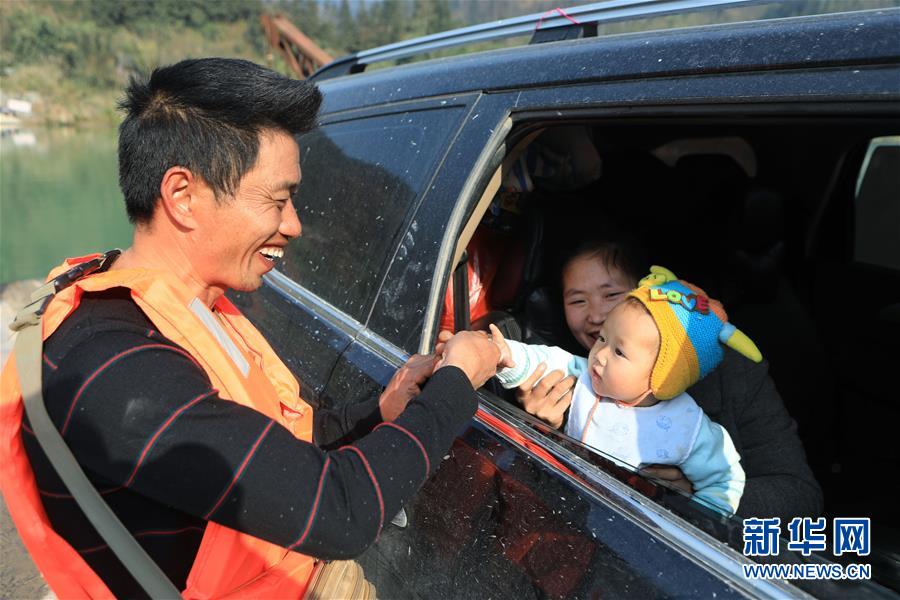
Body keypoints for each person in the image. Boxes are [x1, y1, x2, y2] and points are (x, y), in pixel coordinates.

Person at [0, 58, 500, 599]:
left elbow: (274, 439)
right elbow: (339, 512)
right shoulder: (114, 366)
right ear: (183, 196)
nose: (294, 225)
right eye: (278, 200)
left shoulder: (191, 308)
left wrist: (380, 411)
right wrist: (456, 383)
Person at [513, 238, 823, 522]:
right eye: (577, 301)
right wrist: (544, 429)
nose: (595, 316)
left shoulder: (729, 371)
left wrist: (700, 498)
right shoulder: (562, 369)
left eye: (612, 295)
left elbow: (800, 494)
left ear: (648, 297)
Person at [491, 266, 756, 516]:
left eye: (619, 351)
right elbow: (540, 360)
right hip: (565, 503)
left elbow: (724, 481)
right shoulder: (583, 375)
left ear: (664, 377)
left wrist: (694, 518)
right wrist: (504, 355)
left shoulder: (691, 428)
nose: (599, 355)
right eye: (602, 338)